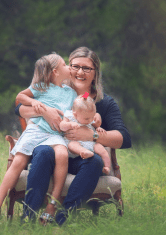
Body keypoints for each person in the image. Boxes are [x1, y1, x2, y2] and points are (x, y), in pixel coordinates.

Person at [15, 46, 132, 225]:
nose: (80, 72)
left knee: (95, 161)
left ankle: (62, 218)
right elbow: (19, 108)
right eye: (75, 66)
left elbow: (124, 138)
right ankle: (28, 218)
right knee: (44, 151)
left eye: (87, 68)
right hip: (53, 153)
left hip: (79, 158)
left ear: (95, 73)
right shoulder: (55, 91)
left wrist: (91, 136)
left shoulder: (103, 103)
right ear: (68, 67)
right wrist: (45, 112)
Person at [0, 53, 77, 229]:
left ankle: (52, 205)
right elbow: (20, 97)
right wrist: (36, 105)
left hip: (56, 134)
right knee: (18, 161)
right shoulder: (41, 86)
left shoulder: (71, 93)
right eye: (65, 65)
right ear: (56, 72)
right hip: (36, 130)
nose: (69, 68)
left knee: (62, 154)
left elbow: (74, 113)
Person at [60, 93, 111, 175]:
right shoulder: (69, 116)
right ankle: (84, 152)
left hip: (90, 142)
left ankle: (107, 167)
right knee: (72, 145)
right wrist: (69, 125)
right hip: (75, 142)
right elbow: (61, 126)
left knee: (102, 149)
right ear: (75, 114)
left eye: (92, 117)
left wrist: (98, 128)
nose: (90, 120)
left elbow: (95, 126)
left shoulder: (89, 118)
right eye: (87, 118)